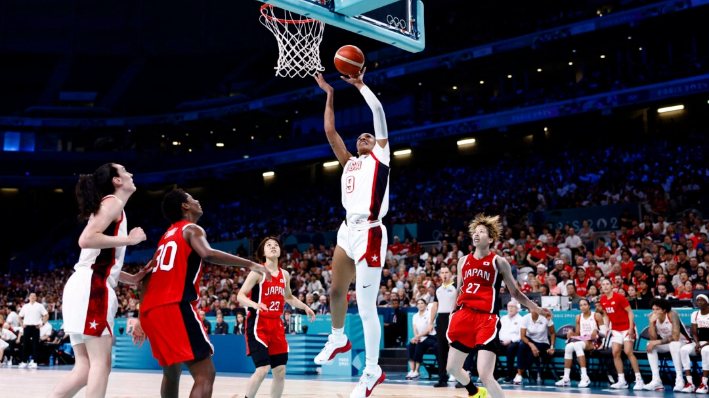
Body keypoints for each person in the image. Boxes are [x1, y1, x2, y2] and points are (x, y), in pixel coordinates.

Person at [134, 189, 271, 398]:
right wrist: (251, 263)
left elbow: (147, 277)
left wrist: (140, 317)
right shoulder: (191, 229)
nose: (197, 200)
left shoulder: (164, 237)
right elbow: (207, 253)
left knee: (172, 372)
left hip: (152, 311)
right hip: (175, 306)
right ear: (185, 206)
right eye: (192, 198)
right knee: (205, 373)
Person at [313, 69, 391, 398]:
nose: (363, 136)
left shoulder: (381, 158)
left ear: (377, 144)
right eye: (360, 136)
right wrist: (330, 94)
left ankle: (372, 369)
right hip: (347, 230)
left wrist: (359, 85)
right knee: (335, 292)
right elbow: (330, 131)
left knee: (366, 306)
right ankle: (338, 338)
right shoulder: (348, 162)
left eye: (368, 137)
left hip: (371, 232)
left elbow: (378, 114)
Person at [49, 163, 149, 398]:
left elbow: (95, 258)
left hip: (83, 283)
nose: (131, 174)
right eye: (125, 171)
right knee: (101, 365)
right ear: (116, 181)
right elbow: (86, 240)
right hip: (92, 288)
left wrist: (130, 278)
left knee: (84, 369)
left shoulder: (111, 206)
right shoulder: (112, 203)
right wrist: (129, 239)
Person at [446, 214, 552, 398]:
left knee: (485, 374)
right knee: (452, 368)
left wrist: (538, 309)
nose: (477, 234)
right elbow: (459, 289)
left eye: (482, 231)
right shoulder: (463, 261)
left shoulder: (498, 262)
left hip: (486, 318)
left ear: (491, 238)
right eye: (475, 232)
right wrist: (452, 312)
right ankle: (475, 392)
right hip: (463, 315)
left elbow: (516, 293)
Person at [238, 237, 315, 398]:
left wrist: (305, 306)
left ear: (280, 251)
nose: (273, 247)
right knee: (263, 369)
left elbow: (289, 297)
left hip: (276, 325)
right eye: (269, 245)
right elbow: (240, 295)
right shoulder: (257, 272)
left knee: (280, 371)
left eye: (276, 245)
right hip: (258, 324)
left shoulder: (284, 274)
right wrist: (254, 304)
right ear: (263, 252)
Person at [599, 278, 644, 390]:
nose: (605, 286)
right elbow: (606, 314)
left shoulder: (619, 297)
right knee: (615, 353)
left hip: (627, 327)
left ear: (611, 286)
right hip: (615, 329)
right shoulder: (602, 300)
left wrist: (630, 328)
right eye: (603, 284)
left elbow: (630, 312)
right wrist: (608, 327)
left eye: (607, 284)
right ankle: (621, 380)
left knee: (629, 352)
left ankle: (639, 380)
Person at [644, 298, 691, 391]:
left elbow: (675, 337)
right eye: (653, 309)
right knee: (650, 344)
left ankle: (679, 379)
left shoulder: (672, 314)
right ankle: (656, 380)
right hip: (669, 344)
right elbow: (653, 339)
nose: (654, 312)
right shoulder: (652, 317)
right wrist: (651, 323)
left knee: (674, 344)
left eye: (657, 309)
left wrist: (656, 342)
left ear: (664, 309)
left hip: (684, 343)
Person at [555, 299, 604, 388]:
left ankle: (585, 377)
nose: (583, 307)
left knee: (577, 345)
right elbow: (578, 334)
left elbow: (604, 333)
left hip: (596, 342)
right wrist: (571, 333)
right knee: (568, 347)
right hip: (583, 341)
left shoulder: (597, 316)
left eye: (585, 304)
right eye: (581, 305)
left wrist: (597, 330)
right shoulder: (578, 317)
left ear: (589, 306)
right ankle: (566, 378)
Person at [513, 307, 556, 385]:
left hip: (542, 342)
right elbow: (522, 336)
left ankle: (519, 373)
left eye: (536, 307)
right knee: (521, 345)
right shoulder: (525, 318)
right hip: (529, 340)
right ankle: (519, 374)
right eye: (532, 307)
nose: (534, 309)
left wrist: (552, 347)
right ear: (529, 309)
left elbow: (552, 333)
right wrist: (531, 344)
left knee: (533, 354)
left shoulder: (545, 317)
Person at [430, 265, 457, 387]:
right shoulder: (438, 289)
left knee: (456, 348)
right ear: (440, 275)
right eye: (442, 272)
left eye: (446, 272)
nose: (444, 274)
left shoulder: (456, 287)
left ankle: (460, 377)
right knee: (441, 349)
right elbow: (435, 306)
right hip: (441, 319)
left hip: (454, 318)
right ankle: (442, 378)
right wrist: (431, 322)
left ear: (451, 274)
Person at [680, 294, 709, 393]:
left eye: (702, 300)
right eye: (698, 300)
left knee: (705, 351)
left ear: (707, 302)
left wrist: (703, 345)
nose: (699, 302)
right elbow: (695, 333)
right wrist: (697, 344)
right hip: (700, 342)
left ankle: (704, 384)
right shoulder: (695, 314)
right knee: (683, 350)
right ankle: (690, 383)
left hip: (707, 344)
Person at [406, 299, 437, 380]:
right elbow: (415, 328)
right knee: (410, 346)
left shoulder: (430, 314)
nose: (420, 305)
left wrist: (417, 337)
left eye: (422, 303)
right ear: (416, 306)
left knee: (419, 345)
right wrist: (416, 337)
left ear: (425, 305)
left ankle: (417, 371)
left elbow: (428, 330)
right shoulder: (415, 316)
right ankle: (412, 371)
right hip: (419, 337)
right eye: (418, 304)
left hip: (430, 337)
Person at [17, 292, 47, 368]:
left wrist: (42, 324)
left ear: (36, 297)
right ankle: (24, 361)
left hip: (35, 327)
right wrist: (21, 324)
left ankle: (35, 361)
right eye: (31, 296)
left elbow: (46, 315)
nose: (33, 297)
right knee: (25, 345)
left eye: (34, 296)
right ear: (29, 297)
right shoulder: (25, 306)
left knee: (35, 345)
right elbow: (19, 316)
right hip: (27, 327)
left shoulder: (40, 306)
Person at [498, 301, 523, 384]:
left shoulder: (521, 319)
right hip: (501, 342)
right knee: (491, 347)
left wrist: (510, 341)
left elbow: (520, 335)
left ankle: (509, 374)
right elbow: (498, 331)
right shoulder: (503, 318)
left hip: (514, 343)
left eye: (513, 306)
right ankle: (495, 374)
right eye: (509, 306)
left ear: (517, 309)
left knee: (510, 348)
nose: (511, 308)